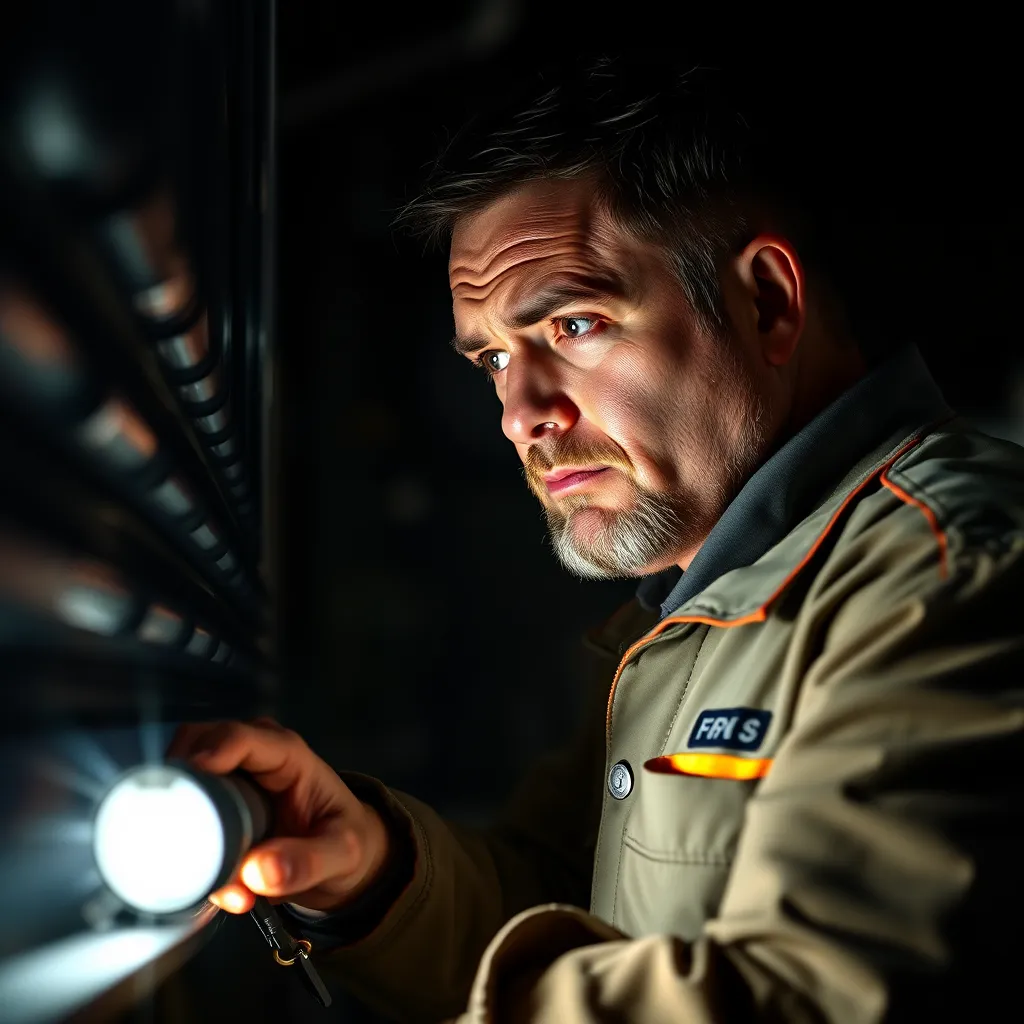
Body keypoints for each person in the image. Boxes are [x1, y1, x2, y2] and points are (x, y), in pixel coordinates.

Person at [169, 58, 1024, 1022]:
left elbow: (817, 998)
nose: (519, 414)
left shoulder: (952, 570)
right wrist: (372, 871)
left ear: (767, 304)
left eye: (574, 324)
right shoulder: (686, 605)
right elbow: (575, 911)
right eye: (493, 357)